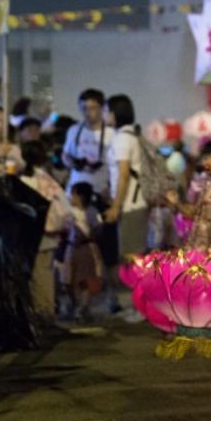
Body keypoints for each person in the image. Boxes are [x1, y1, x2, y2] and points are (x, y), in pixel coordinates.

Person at [102, 94, 148, 323]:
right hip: (135, 203)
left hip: (130, 205)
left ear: (114, 113)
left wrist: (116, 206)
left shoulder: (122, 139)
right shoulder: (132, 136)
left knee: (132, 258)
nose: (104, 115)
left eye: (106, 110)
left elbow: (122, 175)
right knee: (133, 256)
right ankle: (139, 305)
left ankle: (141, 307)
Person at [19, 140, 72, 324]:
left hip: (36, 236)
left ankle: (44, 315)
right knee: (45, 274)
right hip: (50, 235)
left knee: (39, 276)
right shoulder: (47, 179)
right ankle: (46, 313)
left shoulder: (26, 180)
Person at [166, 138, 211, 250]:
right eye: (205, 158)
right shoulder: (198, 183)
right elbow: (192, 212)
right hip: (201, 240)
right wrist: (177, 203)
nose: (208, 161)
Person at [63, 182, 104, 323]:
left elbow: (98, 228)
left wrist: (86, 234)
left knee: (86, 280)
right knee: (68, 278)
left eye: (73, 194)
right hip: (71, 248)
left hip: (86, 249)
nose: (71, 197)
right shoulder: (68, 211)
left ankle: (83, 307)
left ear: (80, 196)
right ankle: (74, 305)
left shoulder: (92, 212)